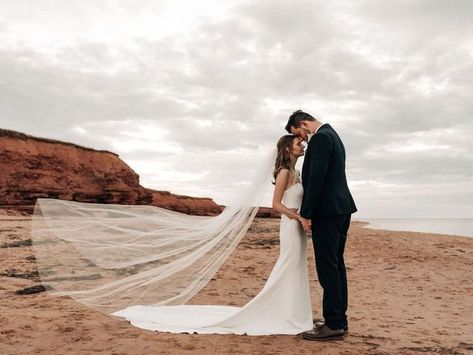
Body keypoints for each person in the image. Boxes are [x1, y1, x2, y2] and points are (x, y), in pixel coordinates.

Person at [109, 135, 314, 335]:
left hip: (298, 226)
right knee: (288, 264)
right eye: (299, 143)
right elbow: (277, 205)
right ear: (288, 149)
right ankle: (278, 311)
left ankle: (293, 312)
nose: (302, 145)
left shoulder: (296, 172)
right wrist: (299, 218)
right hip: (290, 226)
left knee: (296, 267)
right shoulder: (284, 173)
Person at [286, 110, 357, 341]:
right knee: (336, 266)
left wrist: (306, 213)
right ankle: (339, 320)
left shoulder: (322, 138)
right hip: (340, 209)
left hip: (328, 211)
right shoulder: (333, 134)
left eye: (299, 133)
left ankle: (334, 324)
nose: (302, 139)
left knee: (328, 268)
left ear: (303, 124)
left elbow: (317, 178)